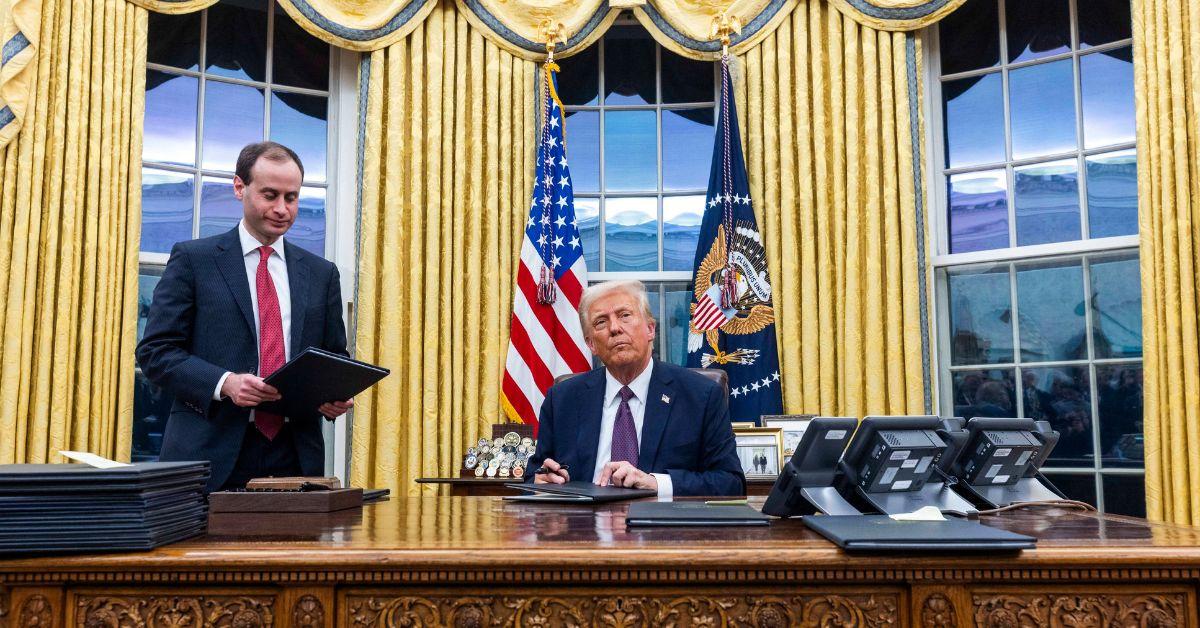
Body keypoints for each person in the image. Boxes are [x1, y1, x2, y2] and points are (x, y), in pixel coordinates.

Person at [136, 142, 352, 492]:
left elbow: (333, 357)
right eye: (270, 195)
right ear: (239, 188)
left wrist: (334, 394)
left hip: (295, 455)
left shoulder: (321, 273)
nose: (282, 209)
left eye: (292, 198)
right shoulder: (194, 260)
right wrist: (225, 384)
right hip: (207, 454)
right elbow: (155, 353)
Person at [530, 280, 745, 497]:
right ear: (591, 344)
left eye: (625, 315)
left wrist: (655, 483)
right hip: (583, 526)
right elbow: (534, 474)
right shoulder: (562, 399)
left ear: (650, 329)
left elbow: (730, 482)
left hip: (663, 526)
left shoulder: (701, 395)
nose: (614, 328)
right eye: (601, 322)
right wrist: (541, 481)